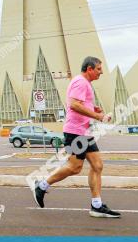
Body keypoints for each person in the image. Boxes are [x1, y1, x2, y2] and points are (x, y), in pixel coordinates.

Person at [32, 56, 121, 218]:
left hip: (84, 132)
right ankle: (42, 186)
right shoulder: (80, 82)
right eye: (99, 69)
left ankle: (97, 205)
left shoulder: (84, 83)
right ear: (90, 69)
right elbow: (73, 104)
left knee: (97, 165)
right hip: (75, 132)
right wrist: (98, 116)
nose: (101, 72)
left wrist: (92, 107)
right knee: (74, 168)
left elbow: (78, 103)